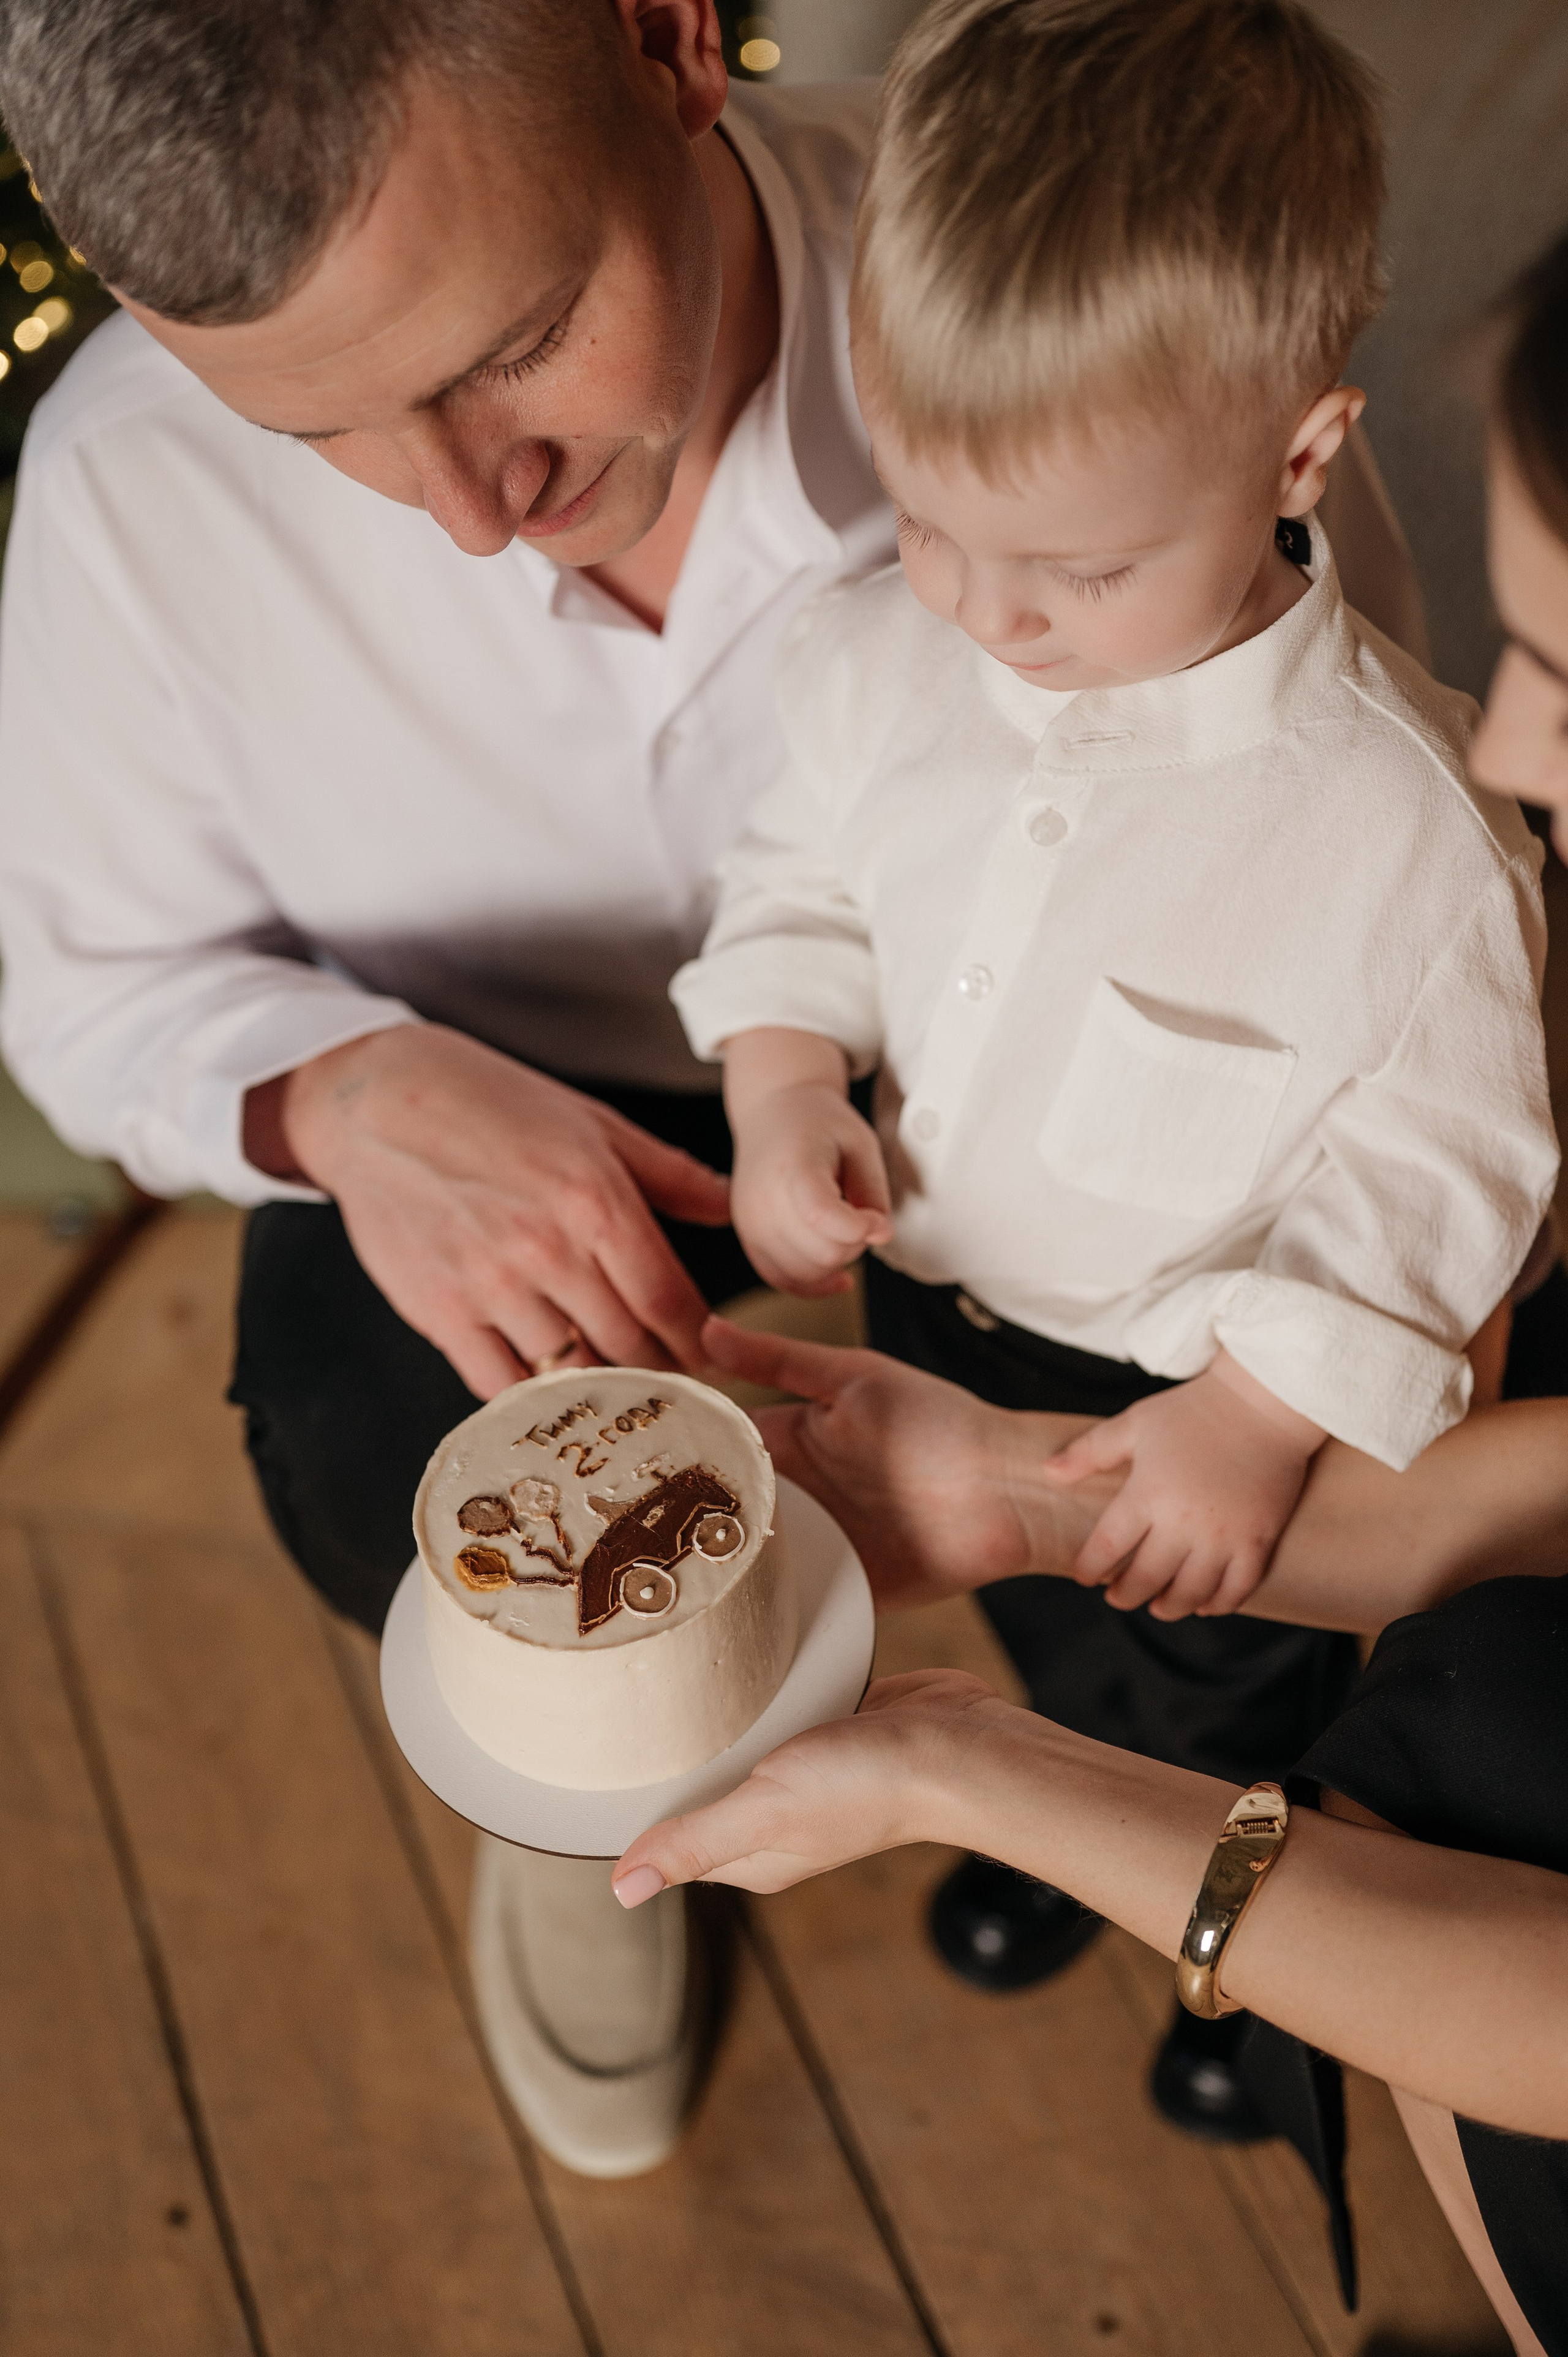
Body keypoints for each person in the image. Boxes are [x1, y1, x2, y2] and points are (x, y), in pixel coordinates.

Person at [0, 0, 1433, 2175]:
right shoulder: (122, 488)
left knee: (1160, 1525)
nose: (473, 520)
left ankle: (1190, 1840)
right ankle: (606, 1792)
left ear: (669, 38)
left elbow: (1359, 829)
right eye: (332, 443)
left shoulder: (1076, 287)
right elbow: (81, 981)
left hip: (1070, 1071)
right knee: (356, 1397)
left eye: (518, 341)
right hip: (512, 1080)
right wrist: (345, 1096)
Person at [613, 225, 1568, 2357]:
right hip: (953, 1306)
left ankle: (1275, 1991)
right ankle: (1058, 1808)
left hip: (1231, 1393)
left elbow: (1444, 1183)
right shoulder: (886, 659)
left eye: (1073, 568)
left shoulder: (1415, 844)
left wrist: (1257, 1411)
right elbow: (799, 883)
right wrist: (781, 1075)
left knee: (1245, 1678)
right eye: (937, 521)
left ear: (1302, 454)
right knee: (1033, 1608)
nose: (989, 613)